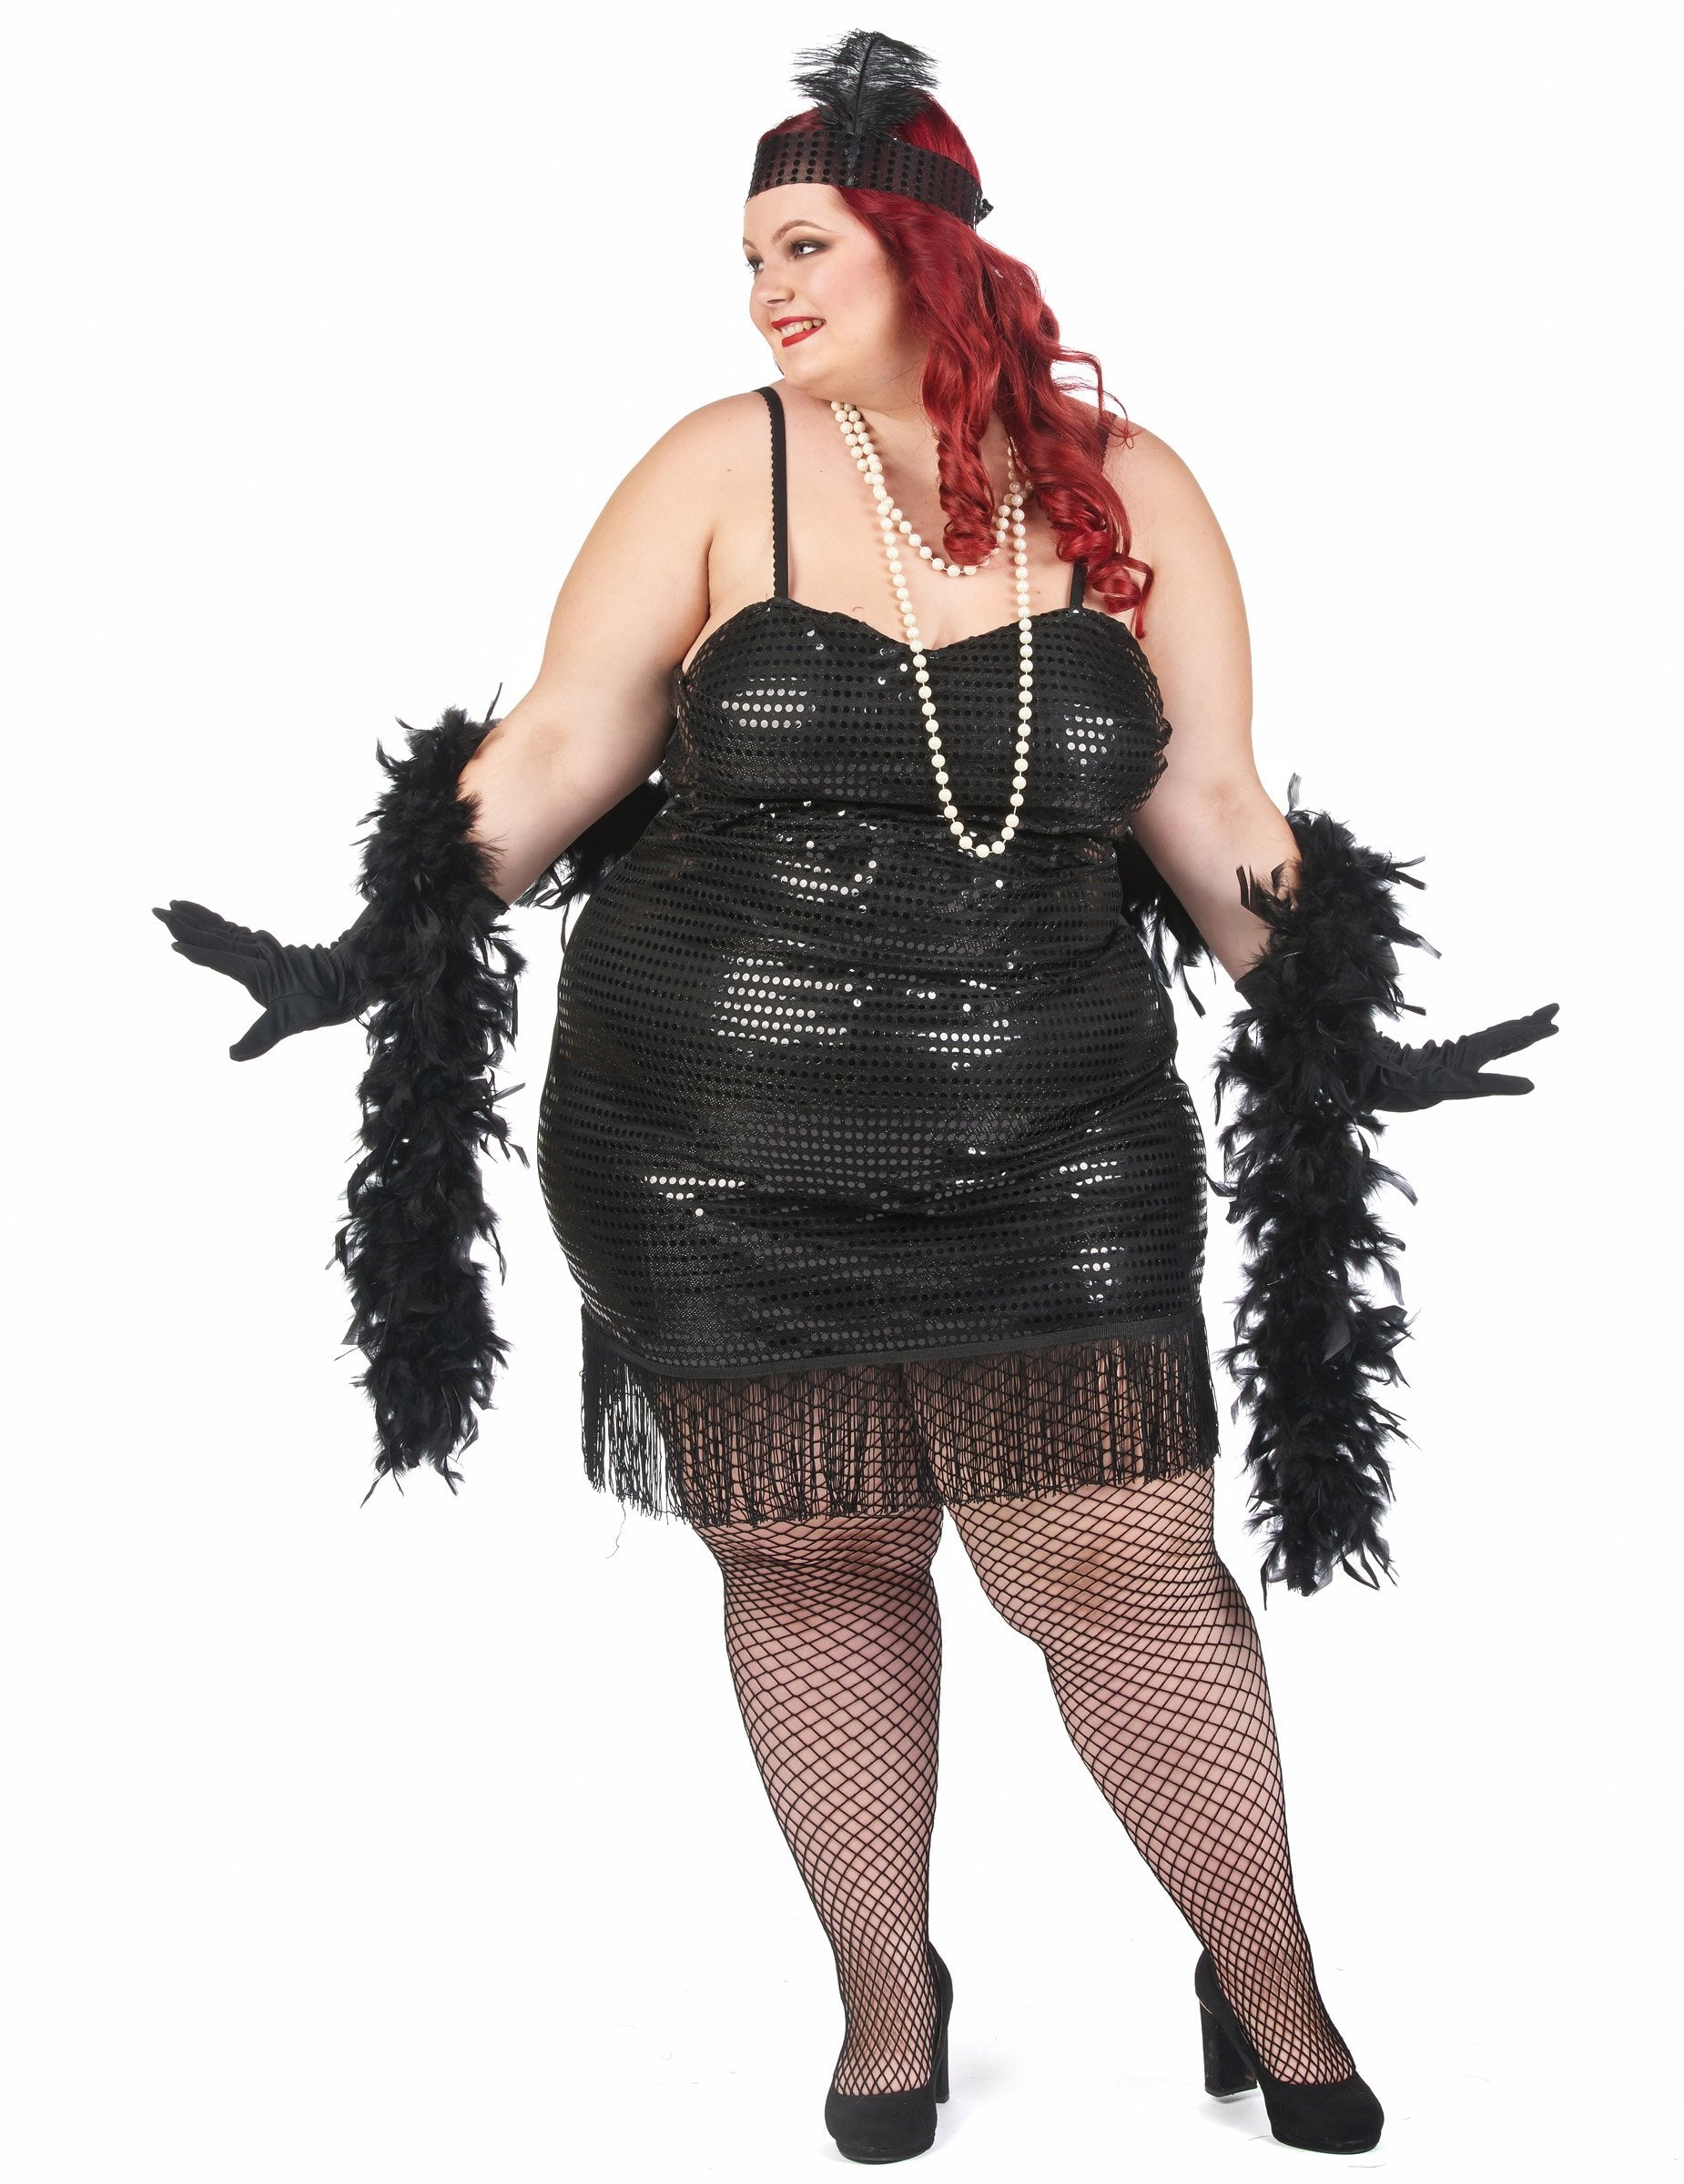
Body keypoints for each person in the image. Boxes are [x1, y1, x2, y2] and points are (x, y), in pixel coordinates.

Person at [153, 29, 1557, 2166]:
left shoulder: (1130, 487)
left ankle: (1269, 1978)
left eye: (800, 245)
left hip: (1059, 1138)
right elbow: (557, 745)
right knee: (812, 1551)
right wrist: (370, 953)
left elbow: (1206, 803)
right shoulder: (723, 465)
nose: (763, 291)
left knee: (1115, 1563)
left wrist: (1340, 1027)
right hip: (705, 1139)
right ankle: (888, 1995)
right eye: (746, 257)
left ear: (925, 242)